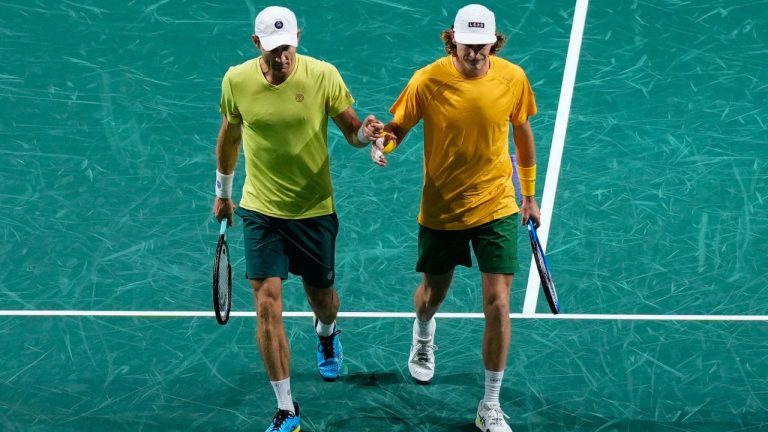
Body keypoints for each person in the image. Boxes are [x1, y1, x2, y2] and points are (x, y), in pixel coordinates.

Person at [213, 6, 384, 432]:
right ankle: (287, 409)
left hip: (313, 210)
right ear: (257, 46)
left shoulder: (323, 74)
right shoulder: (236, 80)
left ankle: (326, 333)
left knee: (322, 298)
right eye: (272, 50)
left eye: (287, 47)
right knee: (266, 304)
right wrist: (223, 194)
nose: (282, 57)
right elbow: (230, 135)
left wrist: (367, 132)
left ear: (297, 39)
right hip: (260, 212)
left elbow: (351, 133)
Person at [372, 4, 541, 432]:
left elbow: (521, 130)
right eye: (468, 44)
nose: (476, 52)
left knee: (499, 303)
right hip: (443, 206)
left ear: (493, 41)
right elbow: (398, 128)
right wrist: (383, 146)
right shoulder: (427, 80)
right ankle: (424, 334)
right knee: (433, 294)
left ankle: (490, 404)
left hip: (496, 203)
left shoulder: (512, 78)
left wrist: (529, 194)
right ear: (454, 40)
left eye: (483, 44)